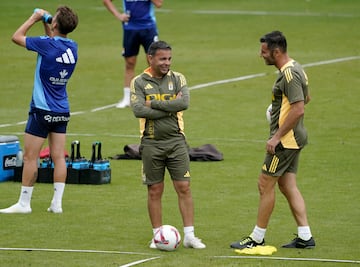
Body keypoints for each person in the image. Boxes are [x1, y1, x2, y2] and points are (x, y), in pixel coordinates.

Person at [230, 31, 315, 249]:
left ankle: (257, 238)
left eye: (264, 51)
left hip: (285, 141)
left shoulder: (289, 75)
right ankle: (305, 237)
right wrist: (278, 109)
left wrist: (277, 136)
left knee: (264, 184)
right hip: (295, 138)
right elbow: (306, 97)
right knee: (287, 185)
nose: (261, 55)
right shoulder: (296, 68)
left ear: (276, 52)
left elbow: (299, 108)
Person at [0, 6, 78, 214]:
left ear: (55, 24)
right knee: (58, 156)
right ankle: (57, 203)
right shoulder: (73, 47)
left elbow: (16, 37)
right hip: (62, 110)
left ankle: (24, 203)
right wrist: (49, 22)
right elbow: (53, 40)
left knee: (30, 157)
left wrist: (34, 17)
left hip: (42, 110)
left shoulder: (46, 44)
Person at [130, 40, 206, 249]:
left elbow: (184, 103)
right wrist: (169, 106)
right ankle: (157, 236)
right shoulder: (138, 81)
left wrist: (152, 103)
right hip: (151, 143)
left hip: (176, 141)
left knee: (184, 187)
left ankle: (190, 236)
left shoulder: (178, 78)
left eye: (169, 59)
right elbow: (138, 110)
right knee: (155, 190)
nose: (167, 63)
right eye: (162, 59)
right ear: (150, 58)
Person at [103, 0, 163, 108]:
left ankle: (154, 96)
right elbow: (106, 1)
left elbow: (159, 3)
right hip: (130, 29)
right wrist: (119, 16)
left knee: (152, 62)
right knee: (129, 63)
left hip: (148, 28)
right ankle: (128, 98)